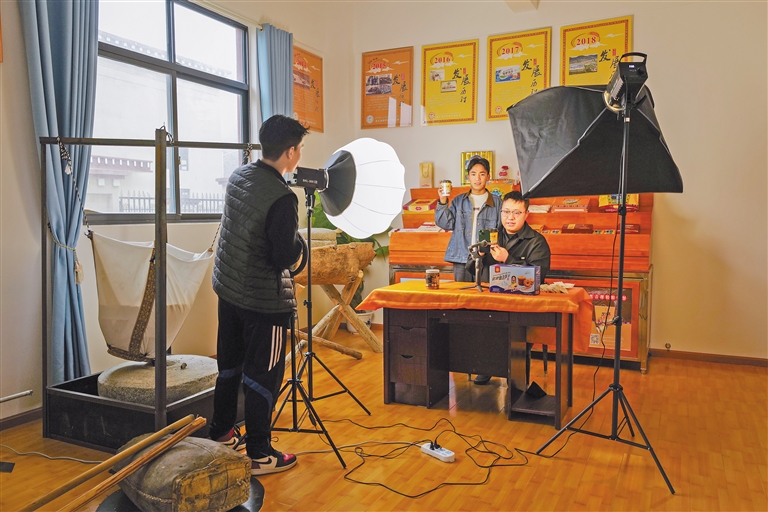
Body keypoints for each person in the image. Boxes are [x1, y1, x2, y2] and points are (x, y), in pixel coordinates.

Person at [209, 114, 308, 475]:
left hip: (228, 290)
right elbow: (283, 256)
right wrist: (301, 245)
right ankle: (260, 454)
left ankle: (221, 433)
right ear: (291, 152)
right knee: (263, 376)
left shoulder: (239, 176)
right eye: (300, 148)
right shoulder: (282, 197)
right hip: (263, 303)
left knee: (229, 367)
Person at [471, 190, 551, 385]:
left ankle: (515, 379)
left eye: (516, 213)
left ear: (526, 214)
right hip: (493, 300)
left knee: (517, 337)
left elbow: (536, 277)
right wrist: (477, 257)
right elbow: (472, 270)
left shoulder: (537, 241)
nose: (510, 217)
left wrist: (508, 259)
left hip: (523, 306)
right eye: (506, 212)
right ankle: (487, 366)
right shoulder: (491, 236)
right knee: (477, 326)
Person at [435, 156, 502, 282]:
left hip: (486, 258)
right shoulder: (459, 201)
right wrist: (443, 201)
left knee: (485, 292)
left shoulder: (497, 203)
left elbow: (501, 230)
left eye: (482, 174)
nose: (477, 178)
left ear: (488, 177)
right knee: (462, 292)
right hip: (462, 258)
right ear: (468, 177)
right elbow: (445, 223)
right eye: (473, 174)